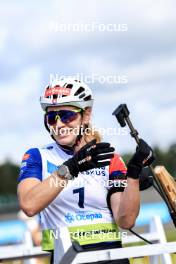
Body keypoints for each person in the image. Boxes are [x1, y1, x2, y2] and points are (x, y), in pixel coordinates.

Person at [17, 78, 154, 264]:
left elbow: (126, 221)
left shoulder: (110, 158)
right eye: (51, 117)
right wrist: (71, 167)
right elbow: (29, 205)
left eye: (66, 116)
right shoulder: (36, 156)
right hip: (66, 257)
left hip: (111, 257)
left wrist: (133, 176)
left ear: (86, 115)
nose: (58, 125)